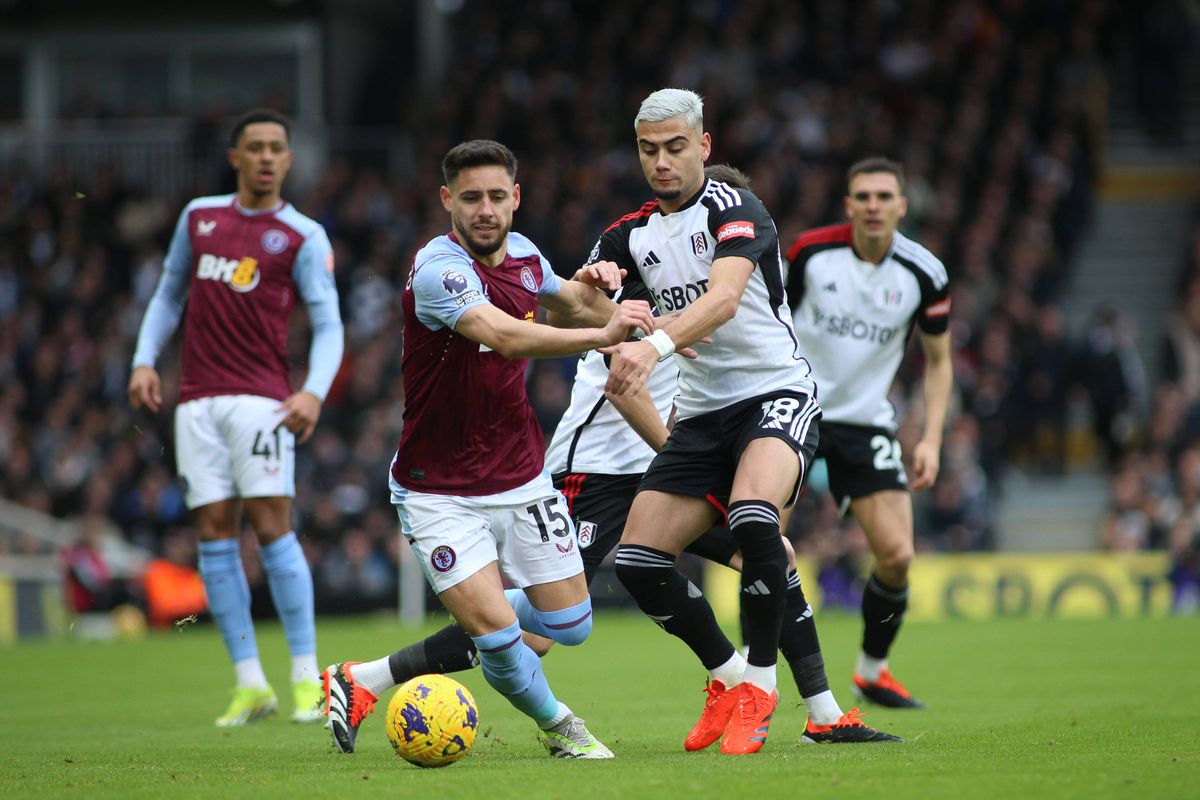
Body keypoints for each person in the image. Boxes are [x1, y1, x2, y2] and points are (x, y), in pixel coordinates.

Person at [349, 163, 898, 750]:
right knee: (538, 635)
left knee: (769, 550)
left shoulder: (710, 289)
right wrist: (681, 458)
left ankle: (818, 710)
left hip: (662, 460)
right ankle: (370, 677)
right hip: (598, 468)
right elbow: (619, 373)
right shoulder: (643, 275)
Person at [320, 139, 655, 759]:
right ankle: (563, 730)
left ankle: (361, 678)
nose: (485, 209)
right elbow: (503, 335)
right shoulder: (438, 271)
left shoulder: (525, 254)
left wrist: (646, 327)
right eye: (470, 197)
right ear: (447, 200)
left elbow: (569, 297)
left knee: (570, 625)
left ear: (516, 199)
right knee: (500, 637)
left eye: (497, 196)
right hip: (438, 490)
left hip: (522, 476)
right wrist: (603, 332)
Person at [591, 87, 824, 756]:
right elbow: (571, 312)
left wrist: (651, 343)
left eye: (674, 147)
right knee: (636, 562)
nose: (661, 162)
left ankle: (760, 684)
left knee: (754, 519)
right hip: (700, 413)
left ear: (703, 146)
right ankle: (725, 676)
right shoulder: (628, 233)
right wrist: (593, 287)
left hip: (772, 391)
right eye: (648, 150)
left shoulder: (737, 208)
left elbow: (722, 300)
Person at [128, 108, 344, 727]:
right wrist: (145, 360)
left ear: (289, 158)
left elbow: (329, 324)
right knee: (215, 536)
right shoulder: (199, 217)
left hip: (262, 401)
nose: (268, 157)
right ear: (236, 157)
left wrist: (314, 392)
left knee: (274, 527)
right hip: (195, 400)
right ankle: (250, 684)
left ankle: (306, 679)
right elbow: (170, 293)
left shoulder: (302, 235)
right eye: (256, 147)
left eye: (278, 147)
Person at [784, 156, 953, 709]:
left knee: (899, 555)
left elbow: (939, 360)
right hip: (793, 408)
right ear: (848, 205)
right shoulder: (810, 253)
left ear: (903, 205)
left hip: (864, 420)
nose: (874, 206)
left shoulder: (925, 274)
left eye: (885, 196)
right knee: (761, 542)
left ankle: (872, 671)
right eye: (864, 196)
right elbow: (767, 318)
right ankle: (746, 668)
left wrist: (929, 438)